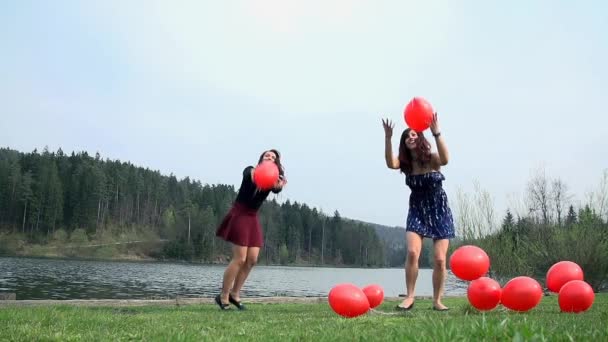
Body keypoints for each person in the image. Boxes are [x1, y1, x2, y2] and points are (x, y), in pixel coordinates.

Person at [382, 113, 455, 311]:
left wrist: (437, 132)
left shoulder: (432, 159)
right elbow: (390, 163)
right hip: (417, 211)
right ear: (404, 143)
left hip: (439, 211)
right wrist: (388, 138)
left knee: (440, 259)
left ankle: (437, 300)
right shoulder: (406, 165)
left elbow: (446, 159)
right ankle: (410, 296)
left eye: (414, 134)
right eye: (407, 136)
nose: (411, 137)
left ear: (420, 138)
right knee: (413, 252)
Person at [215, 149, 287, 310]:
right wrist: (266, 175)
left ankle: (235, 294)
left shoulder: (273, 178)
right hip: (239, 213)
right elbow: (253, 178)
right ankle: (223, 295)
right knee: (239, 258)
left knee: (252, 259)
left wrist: (279, 184)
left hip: (252, 217)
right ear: (261, 158)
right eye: (267, 155)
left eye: (273, 157)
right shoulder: (250, 170)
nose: (270, 157)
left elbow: (276, 189)